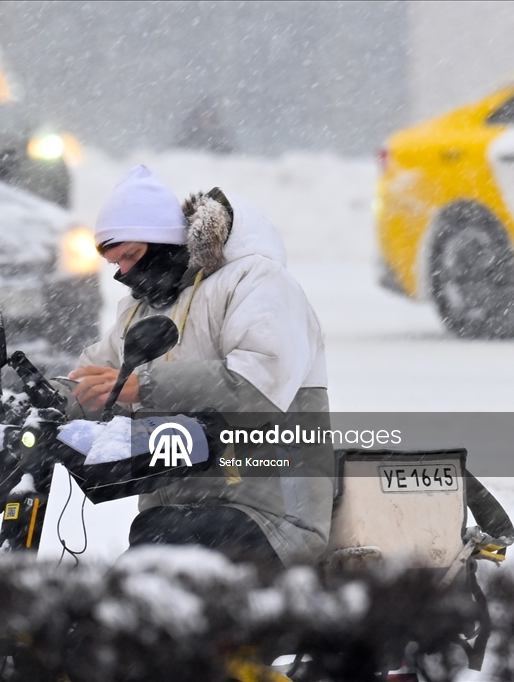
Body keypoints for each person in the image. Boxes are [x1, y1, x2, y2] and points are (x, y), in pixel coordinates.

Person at [68, 165, 333, 573]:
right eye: (114, 264)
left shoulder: (256, 281)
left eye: (131, 256)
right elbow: (93, 378)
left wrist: (143, 386)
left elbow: (253, 387)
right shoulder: (138, 312)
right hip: (176, 514)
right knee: (143, 558)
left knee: (154, 563)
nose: (124, 274)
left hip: (272, 513)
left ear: (164, 241)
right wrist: (39, 402)